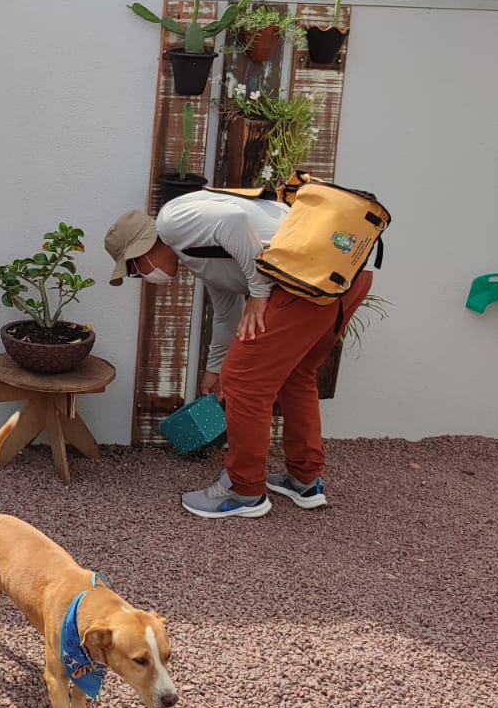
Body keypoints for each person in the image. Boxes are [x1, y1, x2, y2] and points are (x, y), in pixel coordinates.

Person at [104, 191, 373, 519]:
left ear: (141, 250)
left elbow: (235, 222)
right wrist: (213, 368)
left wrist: (259, 295)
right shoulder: (198, 254)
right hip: (343, 274)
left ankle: (244, 491)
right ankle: (304, 480)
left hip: (305, 280)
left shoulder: (171, 222)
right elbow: (225, 314)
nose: (142, 278)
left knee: (245, 384)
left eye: (134, 270)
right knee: (297, 376)